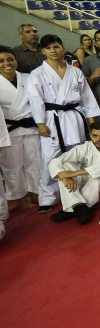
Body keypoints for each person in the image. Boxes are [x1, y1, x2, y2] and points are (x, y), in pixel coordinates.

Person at [29, 34, 100, 212]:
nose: (53, 51)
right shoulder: (37, 74)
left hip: (75, 117)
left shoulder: (75, 71)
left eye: (56, 46)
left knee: (77, 155)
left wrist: (91, 121)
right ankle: (48, 196)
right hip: (51, 119)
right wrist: (39, 122)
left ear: (62, 48)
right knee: (50, 157)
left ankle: (80, 193)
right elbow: (35, 99)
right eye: (49, 48)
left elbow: (86, 98)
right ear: (43, 51)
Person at [47, 120, 100, 225]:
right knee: (64, 165)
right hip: (87, 186)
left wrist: (72, 174)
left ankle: (72, 208)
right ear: (90, 135)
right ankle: (79, 207)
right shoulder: (86, 147)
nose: (98, 139)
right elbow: (56, 161)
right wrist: (65, 178)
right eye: (95, 136)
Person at [0, 45, 39, 209]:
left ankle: (35, 191)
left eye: (10, 59)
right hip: (8, 130)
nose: (7, 63)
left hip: (31, 126)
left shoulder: (28, 77)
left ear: (16, 60)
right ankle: (18, 196)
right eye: (1, 61)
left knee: (34, 161)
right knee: (12, 165)